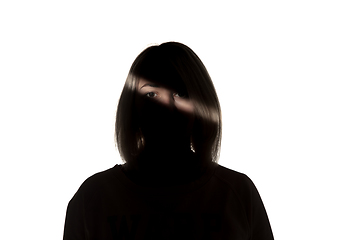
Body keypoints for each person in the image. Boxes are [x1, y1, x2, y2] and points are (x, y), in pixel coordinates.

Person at [63, 42, 274, 239]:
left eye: (181, 93)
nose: (167, 107)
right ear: (132, 107)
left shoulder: (236, 193)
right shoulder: (93, 198)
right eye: (151, 94)